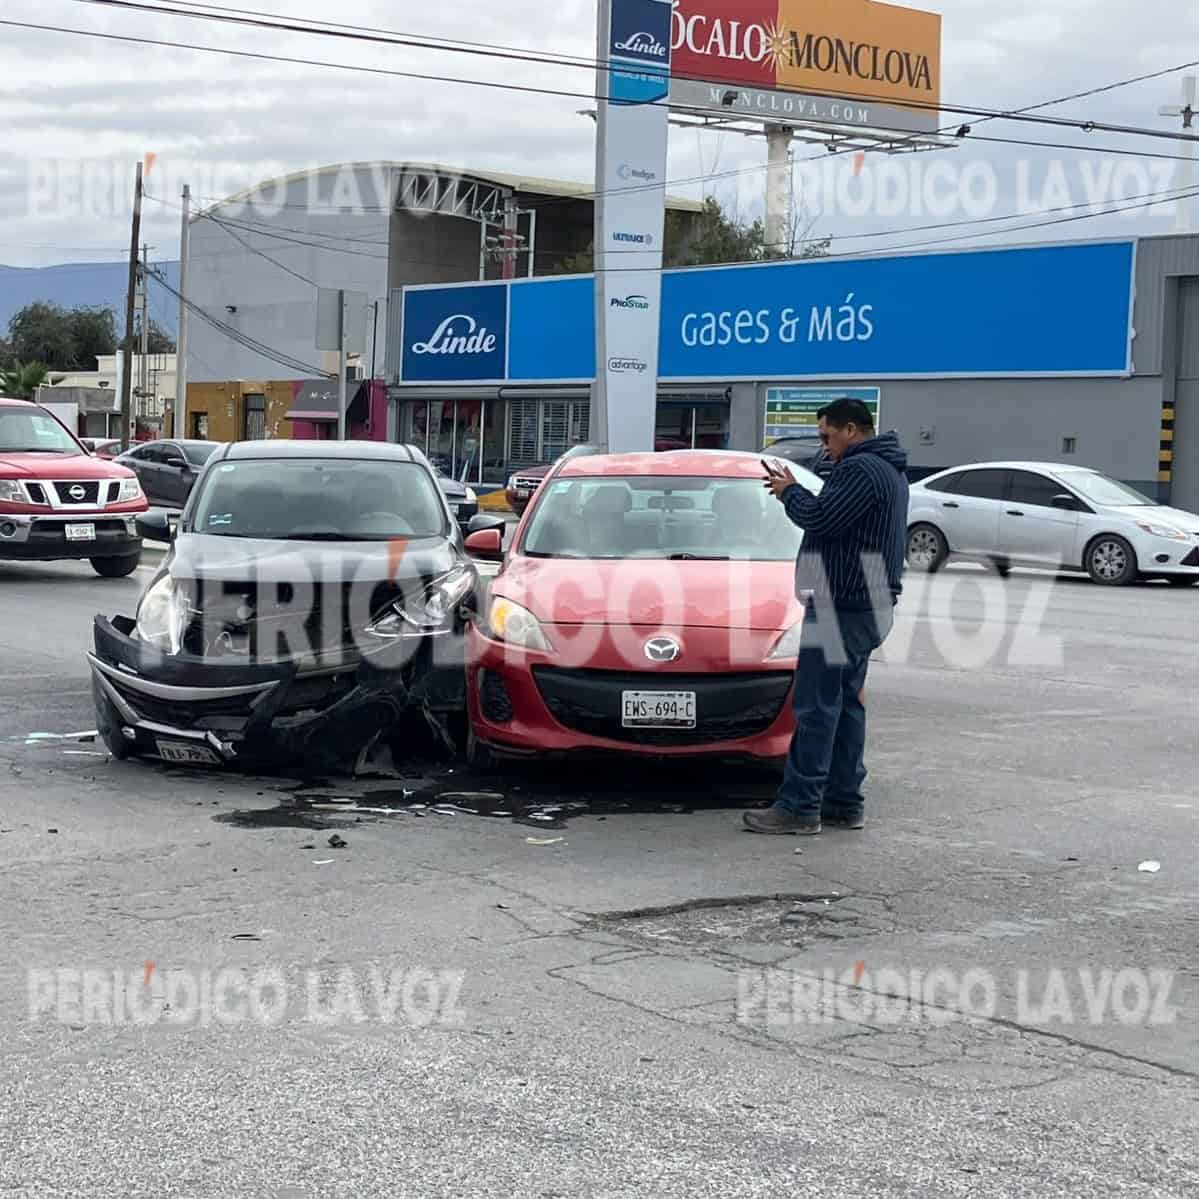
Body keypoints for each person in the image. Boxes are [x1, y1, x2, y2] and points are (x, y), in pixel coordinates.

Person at [744, 398, 909, 835]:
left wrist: (789, 493)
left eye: (826, 436)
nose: (823, 447)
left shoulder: (862, 470)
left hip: (842, 603)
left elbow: (821, 517)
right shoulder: (889, 470)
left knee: (817, 704)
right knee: (847, 703)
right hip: (866, 601)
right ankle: (842, 801)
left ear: (851, 430)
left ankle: (799, 807)